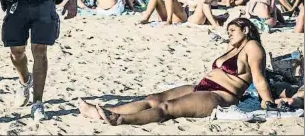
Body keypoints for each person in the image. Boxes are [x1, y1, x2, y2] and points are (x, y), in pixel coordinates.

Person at [79, 18, 274, 125]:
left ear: (246, 29)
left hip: (220, 95)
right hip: (202, 87)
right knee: (153, 98)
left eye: (233, 30)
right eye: (228, 31)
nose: (229, 34)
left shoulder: (253, 47)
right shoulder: (234, 48)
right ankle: (103, 112)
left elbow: (259, 79)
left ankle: (121, 119)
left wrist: (268, 103)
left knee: (167, 108)